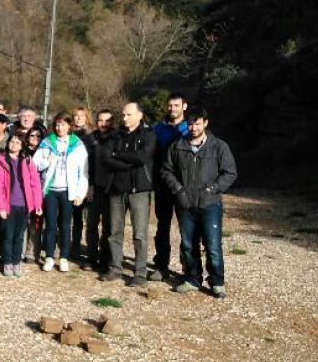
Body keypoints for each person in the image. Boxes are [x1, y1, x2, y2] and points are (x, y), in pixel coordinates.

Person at [161, 110, 237, 298]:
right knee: (188, 244)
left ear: (205, 123)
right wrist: (178, 191)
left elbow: (230, 173)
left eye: (198, 124)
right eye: (191, 124)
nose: (193, 128)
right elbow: (166, 171)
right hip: (185, 203)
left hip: (210, 204)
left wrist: (213, 189)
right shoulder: (177, 146)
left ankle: (217, 282)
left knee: (212, 245)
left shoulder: (219, 146)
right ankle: (192, 279)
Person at [102, 102, 157, 286]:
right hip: (117, 190)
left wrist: (118, 155)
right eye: (123, 115)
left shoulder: (149, 135)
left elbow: (143, 158)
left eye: (129, 115)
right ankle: (115, 268)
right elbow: (106, 159)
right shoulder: (115, 135)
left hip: (139, 191)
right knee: (114, 232)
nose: (124, 118)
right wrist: (128, 160)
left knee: (140, 234)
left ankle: (140, 273)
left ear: (140, 115)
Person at [33, 113, 89, 273]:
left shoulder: (77, 144)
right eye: (57, 125)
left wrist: (80, 193)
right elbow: (36, 165)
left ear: (69, 126)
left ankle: (64, 257)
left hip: (67, 191)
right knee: (50, 225)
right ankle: (49, 256)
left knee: (65, 225)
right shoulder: (46, 142)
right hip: (50, 190)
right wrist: (47, 161)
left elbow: (83, 171)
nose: (60, 128)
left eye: (63, 124)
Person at [0, 132, 43, 277]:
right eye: (12, 141)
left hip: (24, 205)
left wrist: (37, 203)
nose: (14, 144)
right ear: (8, 143)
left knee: (19, 236)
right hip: (8, 205)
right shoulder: (1, 160)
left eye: (18, 142)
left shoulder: (27, 161)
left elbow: (35, 184)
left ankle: (16, 261)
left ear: (22, 146)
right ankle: (7, 262)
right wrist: (0, 206)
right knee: (8, 235)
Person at [151, 93, 190, 279]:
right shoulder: (158, 128)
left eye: (176, 105)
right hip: (162, 185)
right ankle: (161, 265)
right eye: (170, 105)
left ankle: (188, 268)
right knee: (162, 226)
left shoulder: (190, 127)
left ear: (184, 106)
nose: (172, 108)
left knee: (186, 227)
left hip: (185, 186)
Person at [84, 109, 115, 271]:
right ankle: (91, 258)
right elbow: (86, 164)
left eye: (107, 120)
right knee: (91, 224)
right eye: (100, 120)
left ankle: (105, 259)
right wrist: (88, 186)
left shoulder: (117, 138)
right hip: (94, 188)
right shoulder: (90, 139)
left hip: (111, 188)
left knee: (108, 227)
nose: (104, 124)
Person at [69, 106, 92, 264]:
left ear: (87, 118)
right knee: (69, 216)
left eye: (81, 116)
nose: (78, 118)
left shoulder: (91, 136)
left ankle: (84, 249)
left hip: (85, 180)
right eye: (75, 116)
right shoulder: (68, 135)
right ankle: (70, 245)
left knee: (85, 218)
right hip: (69, 181)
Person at [22, 125, 47, 263]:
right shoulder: (22, 151)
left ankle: (32, 251)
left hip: (40, 190)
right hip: (24, 191)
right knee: (23, 222)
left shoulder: (45, 151)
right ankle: (21, 250)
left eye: (38, 136)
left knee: (36, 223)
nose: (35, 138)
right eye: (32, 135)